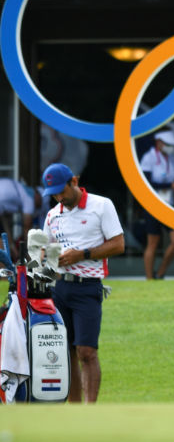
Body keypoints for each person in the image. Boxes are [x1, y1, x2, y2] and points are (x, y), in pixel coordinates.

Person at [41, 162, 124, 403]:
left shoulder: (101, 205)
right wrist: (47, 257)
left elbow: (118, 244)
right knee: (66, 353)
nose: (59, 197)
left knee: (87, 352)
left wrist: (82, 254)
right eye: (53, 193)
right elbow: (45, 250)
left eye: (61, 191)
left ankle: (90, 410)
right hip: (59, 288)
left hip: (87, 285)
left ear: (74, 182)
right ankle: (75, 411)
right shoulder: (52, 215)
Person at [139, 130, 174, 280]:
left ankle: (160, 273)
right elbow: (146, 183)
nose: (170, 147)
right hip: (153, 204)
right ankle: (149, 278)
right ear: (159, 142)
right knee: (153, 242)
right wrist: (170, 185)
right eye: (168, 144)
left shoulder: (172, 158)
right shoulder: (149, 157)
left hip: (168, 204)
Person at [0, 178, 36, 260]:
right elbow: (27, 226)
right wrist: (28, 253)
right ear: (37, 195)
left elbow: (5, 225)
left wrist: (12, 247)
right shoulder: (29, 198)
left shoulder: (17, 189)